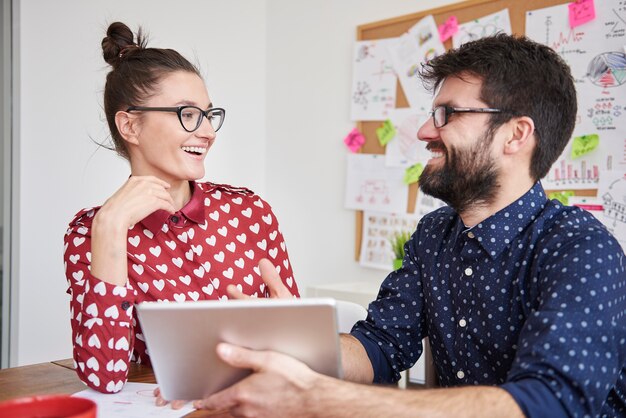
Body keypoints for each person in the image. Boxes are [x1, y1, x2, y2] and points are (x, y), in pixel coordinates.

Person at [194, 34, 626, 418]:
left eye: (447, 114)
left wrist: (326, 399)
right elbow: (380, 344)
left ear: (515, 135)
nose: (424, 130)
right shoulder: (435, 235)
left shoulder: (581, 248)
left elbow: (548, 404)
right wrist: (296, 342)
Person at [63, 21, 299, 395]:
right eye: (187, 114)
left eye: (208, 114)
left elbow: (297, 349)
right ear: (130, 126)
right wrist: (109, 226)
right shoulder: (91, 232)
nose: (207, 131)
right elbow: (103, 377)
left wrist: (289, 329)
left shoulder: (251, 212)